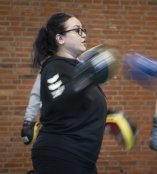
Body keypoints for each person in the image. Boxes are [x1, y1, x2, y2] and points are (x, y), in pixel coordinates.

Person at [30, 12, 108, 174]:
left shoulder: (77, 70)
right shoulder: (54, 67)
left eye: (84, 30)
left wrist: (114, 119)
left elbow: (82, 107)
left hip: (82, 157)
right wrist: (88, 76)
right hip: (61, 154)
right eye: (77, 30)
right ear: (60, 39)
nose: (84, 34)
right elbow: (60, 100)